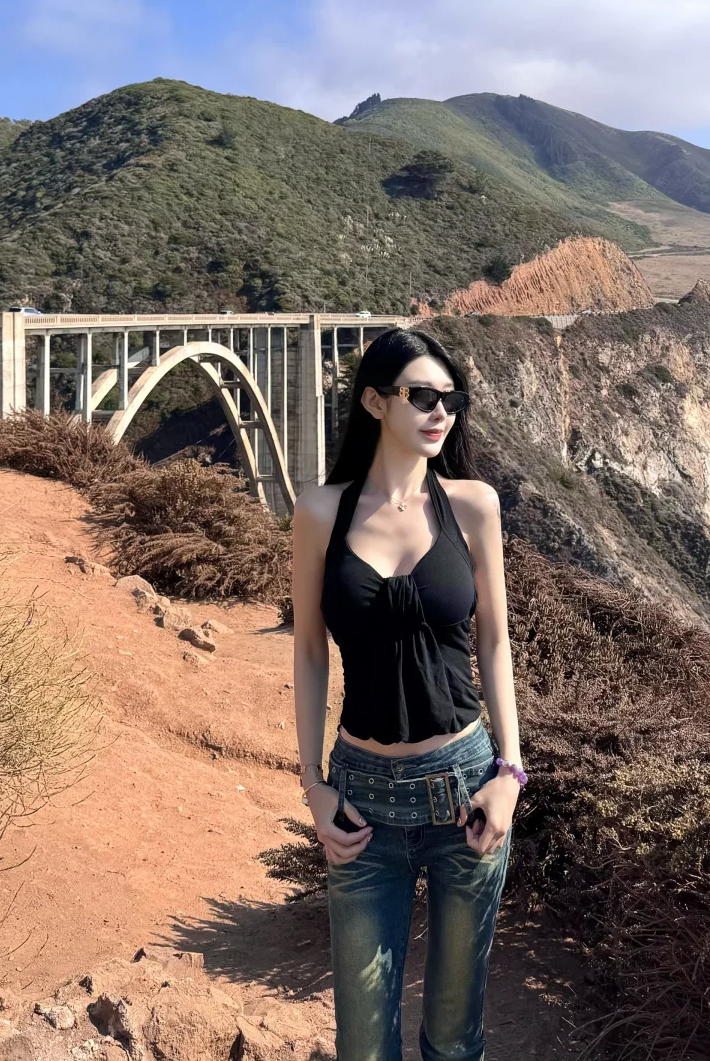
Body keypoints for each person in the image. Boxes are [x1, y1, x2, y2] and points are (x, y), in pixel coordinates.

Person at [291, 325, 527, 1061]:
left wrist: (511, 775)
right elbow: (306, 653)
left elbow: (494, 643)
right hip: (362, 802)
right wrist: (313, 787)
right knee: (364, 1046)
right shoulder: (320, 514)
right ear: (373, 402)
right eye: (421, 396)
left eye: (450, 399)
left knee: (455, 1038)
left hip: (466, 787)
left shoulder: (473, 505)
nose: (440, 413)